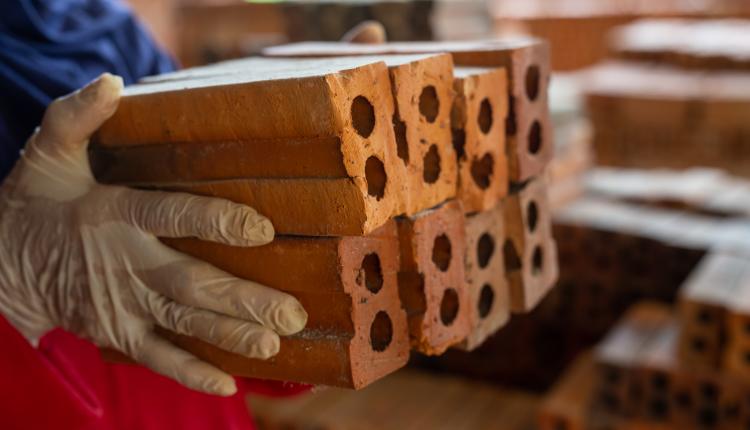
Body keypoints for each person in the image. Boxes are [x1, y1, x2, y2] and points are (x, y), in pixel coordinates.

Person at [0, 1, 384, 429]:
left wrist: (302, 194)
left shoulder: (105, 29)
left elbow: (204, 272)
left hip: (189, 405)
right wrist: (12, 282)